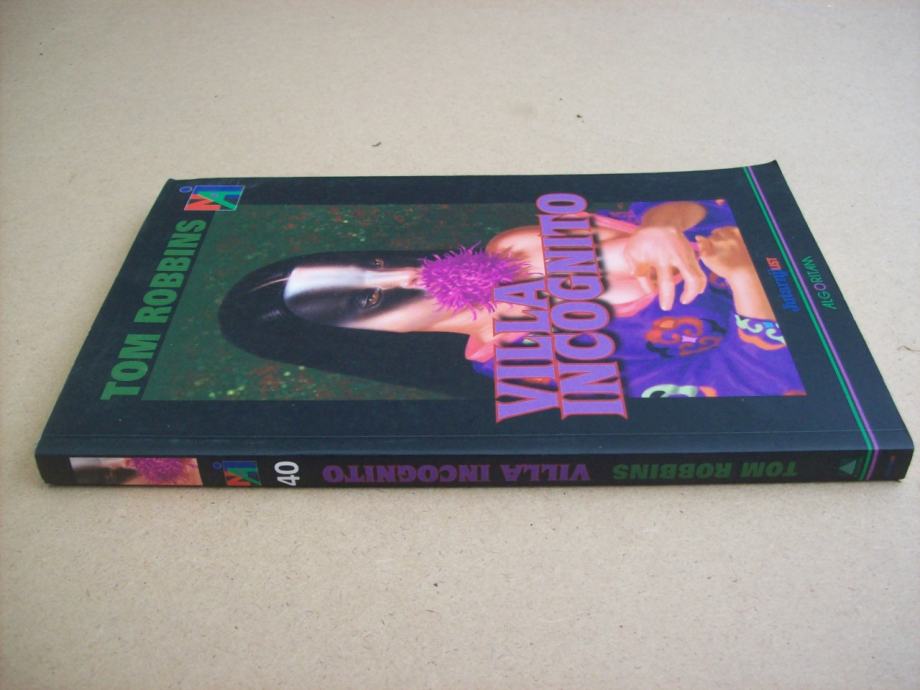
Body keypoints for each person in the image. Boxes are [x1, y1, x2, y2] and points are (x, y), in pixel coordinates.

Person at [219, 200, 804, 399]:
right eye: (370, 300)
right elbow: (743, 387)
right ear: (363, 343)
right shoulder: (528, 366)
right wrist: (748, 281)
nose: (409, 274)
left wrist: (660, 225)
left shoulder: (519, 244)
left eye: (373, 265)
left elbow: (697, 207)